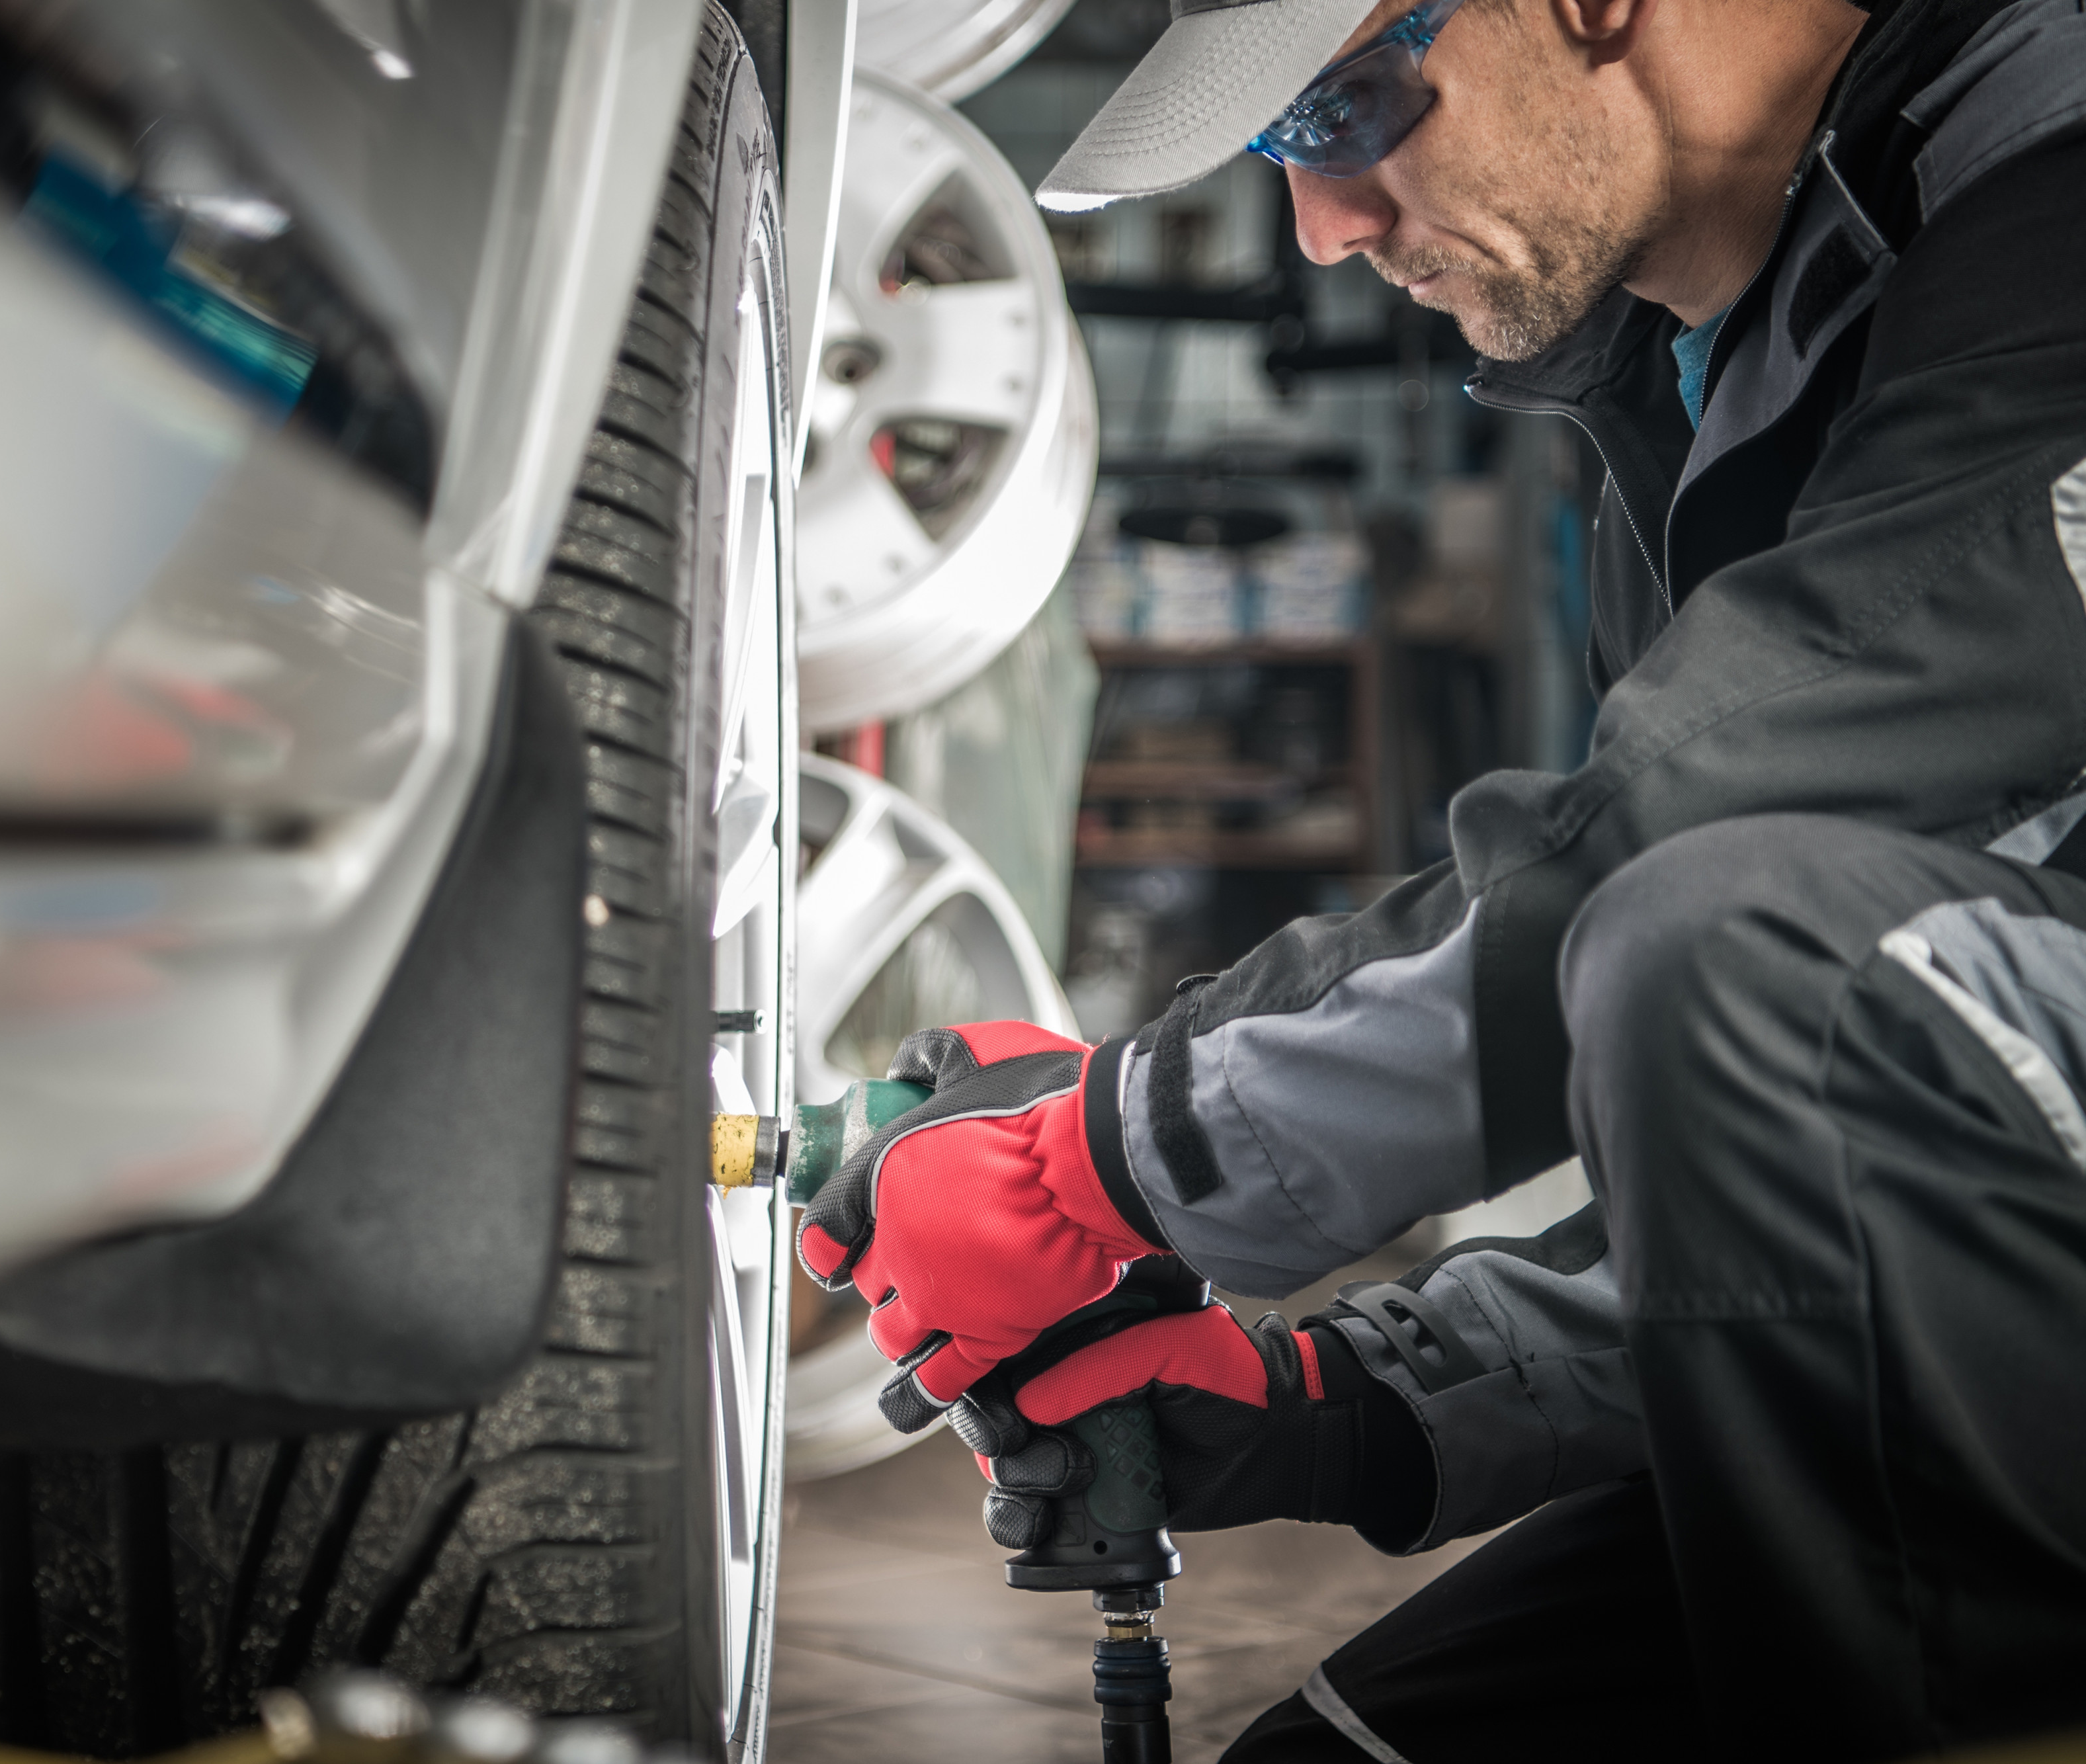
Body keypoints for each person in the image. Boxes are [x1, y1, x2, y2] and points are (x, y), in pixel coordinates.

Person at [794, 0, 2086, 1755]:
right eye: (1278, 152)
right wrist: (1340, 1398)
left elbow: (1721, 901)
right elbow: (1825, 1179)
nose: (1319, 229)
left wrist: (1100, 1149)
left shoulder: (2052, 176)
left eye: (1335, 113)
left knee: (1721, 945)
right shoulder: (1708, 380)